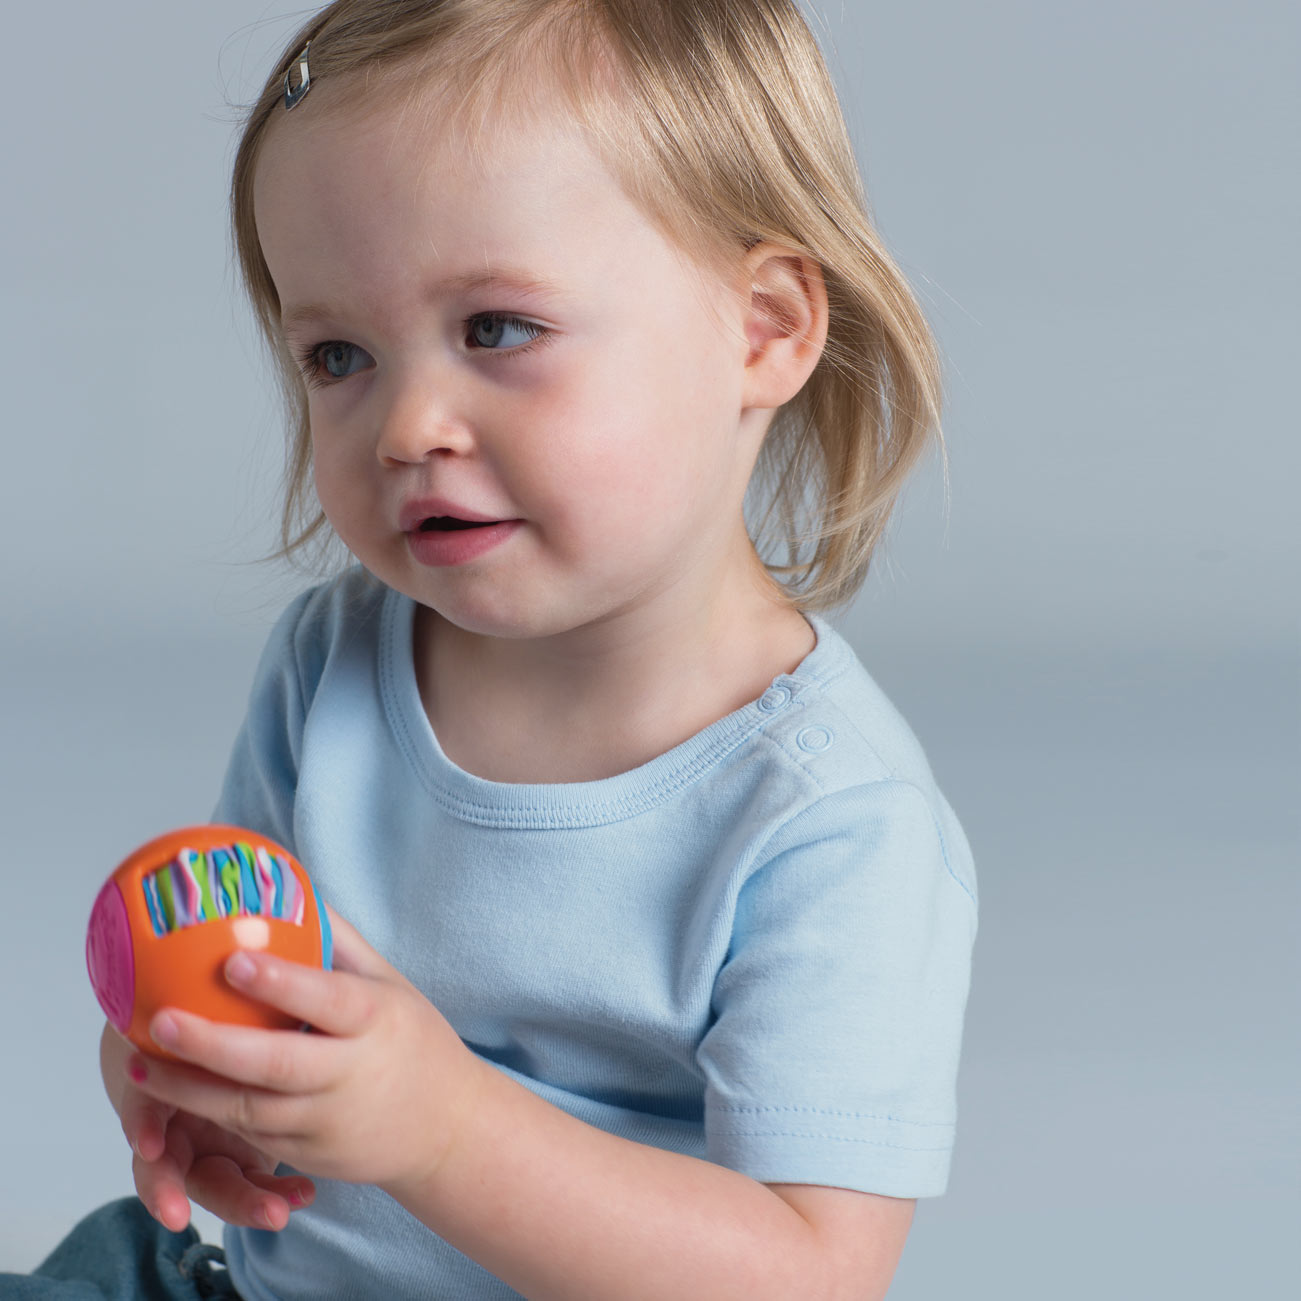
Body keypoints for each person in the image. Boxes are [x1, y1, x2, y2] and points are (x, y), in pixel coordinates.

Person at [13, 1, 977, 1297]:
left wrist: (443, 1132)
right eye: (339, 355)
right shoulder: (334, 662)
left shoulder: (829, 815)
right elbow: (259, 974)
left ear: (761, 328)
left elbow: (810, 1274)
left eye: (496, 330)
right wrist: (195, 1065)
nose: (406, 424)